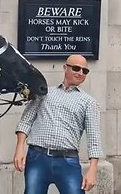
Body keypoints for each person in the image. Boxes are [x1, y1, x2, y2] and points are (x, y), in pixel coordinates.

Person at [13, 54, 103, 194]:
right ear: (65, 68)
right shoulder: (44, 93)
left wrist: (92, 170)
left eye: (84, 71)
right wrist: (19, 148)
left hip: (67, 161)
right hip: (37, 158)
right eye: (76, 68)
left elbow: (94, 138)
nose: (80, 73)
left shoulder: (88, 102)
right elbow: (26, 121)